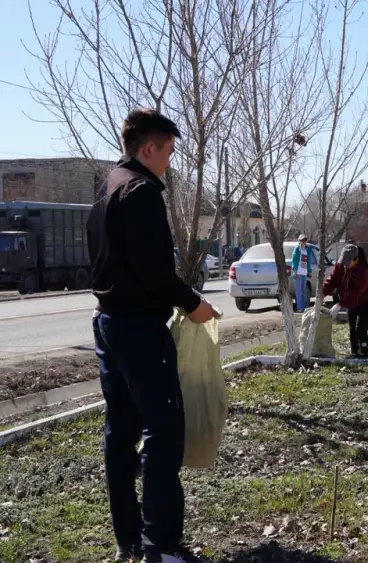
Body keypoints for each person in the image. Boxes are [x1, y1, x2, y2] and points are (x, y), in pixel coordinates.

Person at [88, 108, 216, 563]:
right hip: (140, 329)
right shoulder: (140, 191)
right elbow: (156, 271)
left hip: (108, 325)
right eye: (168, 154)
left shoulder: (106, 188)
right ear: (148, 148)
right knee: (163, 431)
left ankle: (128, 541)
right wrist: (193, 303)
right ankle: (160, 543)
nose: (169, 164)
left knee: (120, 432)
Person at [322, 243, 368, 358]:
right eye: (343, 261)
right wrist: (322, 293)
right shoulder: (340, 266)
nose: (345, 265)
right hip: (352, 301)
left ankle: (364, 353)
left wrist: (339, 305)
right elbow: (332, 281)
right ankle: (354, 353)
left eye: (348, 262)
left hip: (366, 301)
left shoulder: (362, 272)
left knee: (360, 330)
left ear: (356, 260)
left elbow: (354, 294)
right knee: (352, 329)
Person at [291, 234, 317, 313]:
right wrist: (294, 271)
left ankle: (304, 307)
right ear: (299, 241)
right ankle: (299, 308)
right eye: (302, 240)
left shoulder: (307, 249)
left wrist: (309, 271)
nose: (303, 242)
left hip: (304, 272)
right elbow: (294, 260)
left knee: (303, 291)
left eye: (305, 240)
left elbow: (308, 261)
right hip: (298, 272)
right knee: (299, 291)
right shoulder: (297, 249)